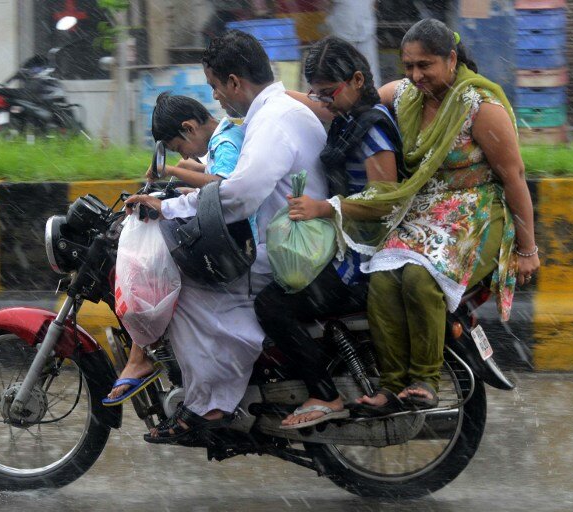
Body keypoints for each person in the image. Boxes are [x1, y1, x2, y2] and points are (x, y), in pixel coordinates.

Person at [124, 30, 329, 441]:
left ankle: (210, 407)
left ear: (235, 82)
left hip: (287, 252)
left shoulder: (272, 121)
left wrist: (169, 207)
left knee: (183, 292)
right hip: (292, 239)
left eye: (216, 86)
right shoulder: (276, 111)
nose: (215, 97)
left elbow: (237, 195)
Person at [346, 18, 540, 412]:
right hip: (421, 212)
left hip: (475, 213)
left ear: (451, 59)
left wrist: (527, 249)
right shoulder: (403, 96)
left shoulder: (481, 107)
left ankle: (425, 380)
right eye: (409, 66)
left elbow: (514, 177)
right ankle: (389, 385)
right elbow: (354, 100)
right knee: (382, 279)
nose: (416, 75)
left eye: (425, 65)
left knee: (420, 277)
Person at [254, 36, 405, 429]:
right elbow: (316, 107)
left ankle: (324, 393)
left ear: (357, 80)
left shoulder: (372, 130)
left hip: (366, 255)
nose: (322, 101)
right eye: (316, 92)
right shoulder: (350, 116)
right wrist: (264, 97)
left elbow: (384, 202)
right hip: (349, 242)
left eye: (328, 92)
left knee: (272, 304)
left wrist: (323, 208)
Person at [103, 92, 249, 406]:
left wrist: (171, 171)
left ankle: (143, 354)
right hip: (232, 235)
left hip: (240, 243)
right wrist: (180, 180)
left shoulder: (225, 140)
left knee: (159, 269)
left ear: (189, 127)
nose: (181, 153)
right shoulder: (221, 140)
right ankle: (146, 353)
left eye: (178, 146)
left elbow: (221, 184)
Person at [325, 0, 380, 85]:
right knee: (341, 77)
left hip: (366, 35)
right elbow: (326, 5)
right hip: (342, 37)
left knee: (371, 77)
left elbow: (374, 5)